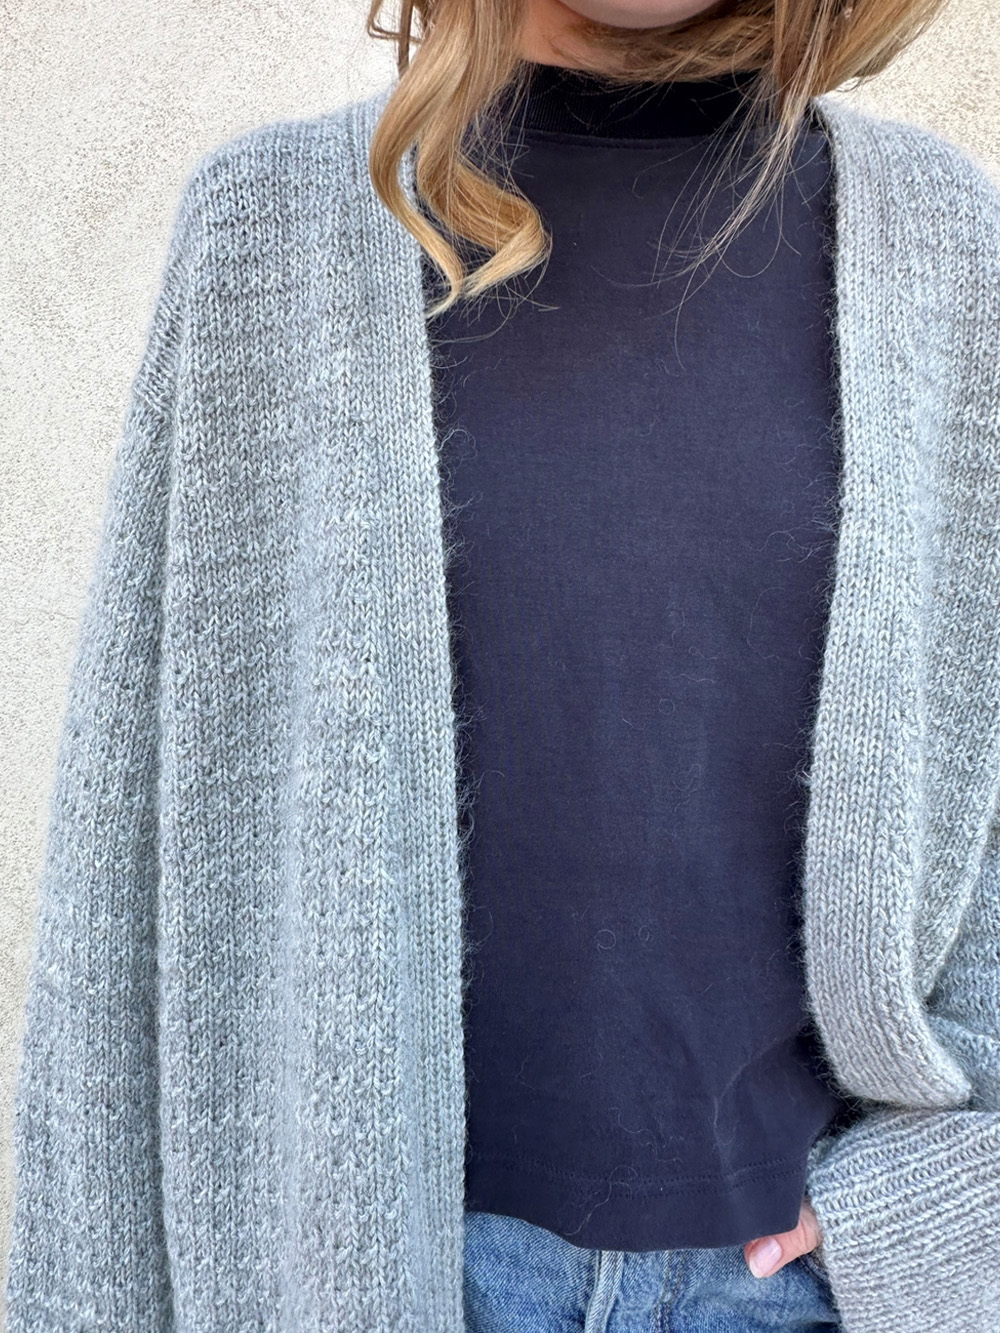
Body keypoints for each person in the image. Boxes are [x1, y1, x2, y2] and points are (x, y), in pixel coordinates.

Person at [5, 1, 1000, 1330]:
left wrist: (937, 1201)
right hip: (364, 1271)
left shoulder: (946, 246)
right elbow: (128, 862)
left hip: (803, 1284)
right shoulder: (270, 235)